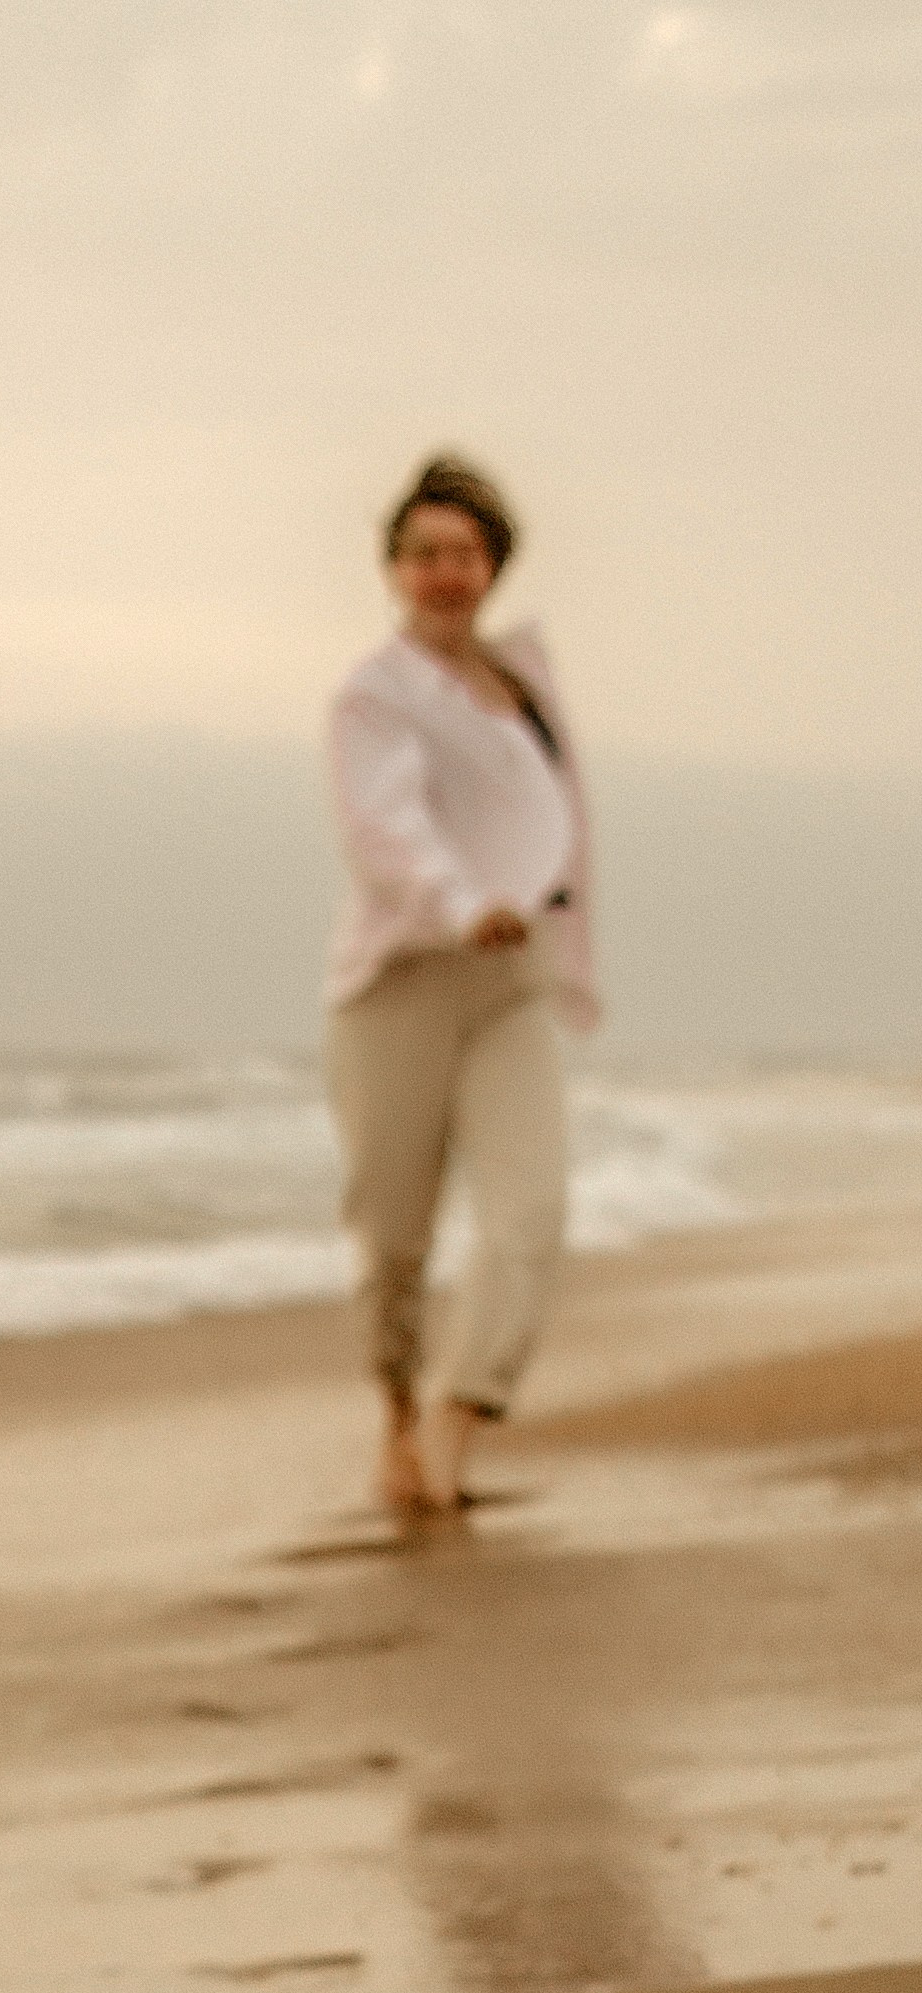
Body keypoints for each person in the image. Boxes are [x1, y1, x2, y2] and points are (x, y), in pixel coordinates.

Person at [324, 452, 600, 1517]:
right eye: (425, 553)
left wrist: (534, 921)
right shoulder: (374, 693)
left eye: (465, 553)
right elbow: (381, 823)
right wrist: (455, 902)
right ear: (395, 567)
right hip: (402, 978)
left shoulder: (527, 683)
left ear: (494, 565)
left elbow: (561, 824)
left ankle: (455, 1419)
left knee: (532, 1211)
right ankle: (395, 1407)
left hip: (511, 981)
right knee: (394, 1232)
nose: (446, 571)